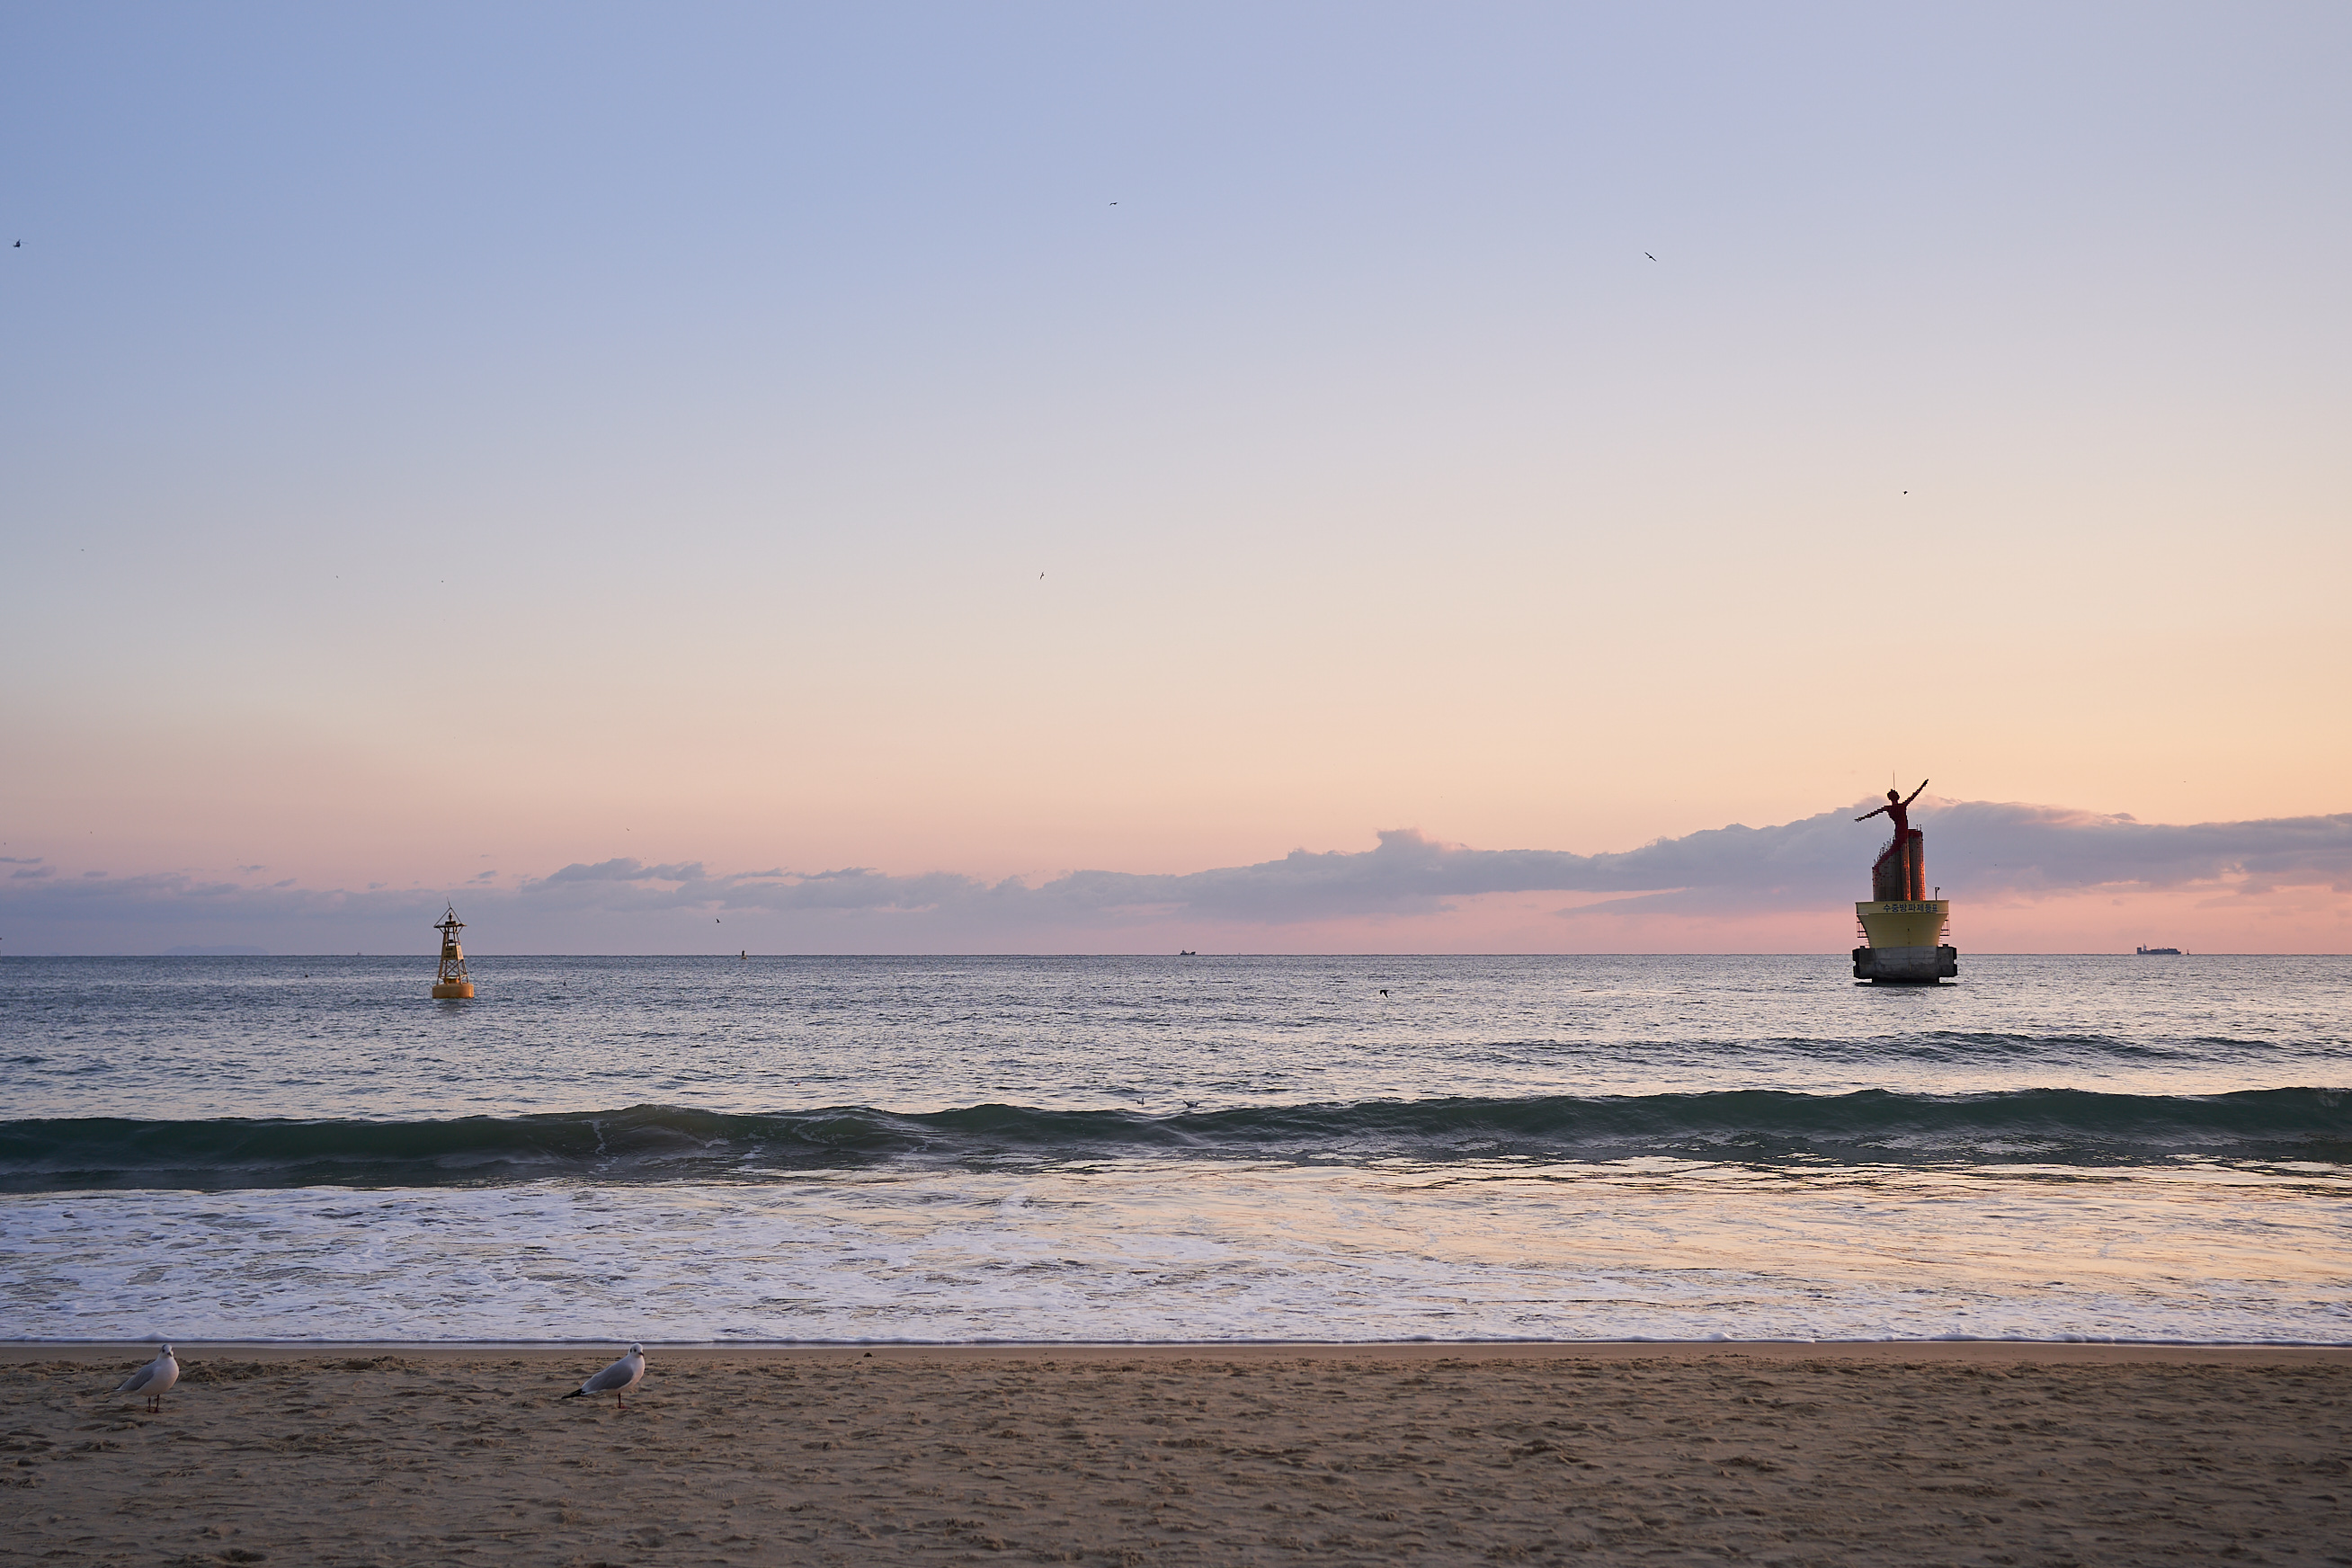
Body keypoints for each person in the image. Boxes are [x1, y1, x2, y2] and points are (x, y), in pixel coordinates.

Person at [1857, 780, 1929, 835]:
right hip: (1904, 830)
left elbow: (1873, 813)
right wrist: (1922, 786)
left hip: (1898, 830)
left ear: (1889, 798)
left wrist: (1862, 818)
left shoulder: (1888, 808)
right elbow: (1914, 795)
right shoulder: (1902, 806)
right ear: (1898, 797)